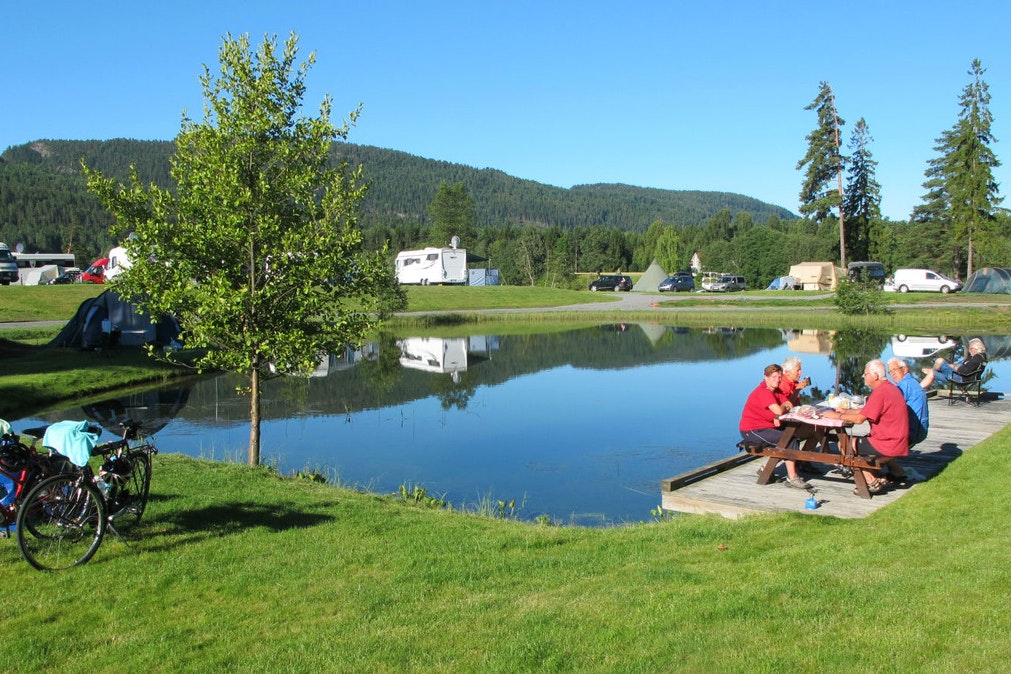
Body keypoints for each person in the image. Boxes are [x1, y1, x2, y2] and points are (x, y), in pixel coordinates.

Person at [821, 359, 909, 494]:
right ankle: (881, 476)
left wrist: (836, 416)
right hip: (898, 440)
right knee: (856, 442)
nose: (863, 376)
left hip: (888, 443)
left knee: (844, 444)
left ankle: (871, 481)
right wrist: (846, 411)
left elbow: (859, 419)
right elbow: (867, 410)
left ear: (875, 375)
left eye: (866, 373)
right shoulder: (889, 388)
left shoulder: (881, 392)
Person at [739, 363, 810, 489]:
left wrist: (781, 410)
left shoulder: (776, 391)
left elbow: (789, 404)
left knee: (793, 436)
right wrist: (780, 410)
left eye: (779, 377)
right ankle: (792, 477)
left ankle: (767, 469)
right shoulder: (764, 391)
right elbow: (779, 410)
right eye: (774, 377)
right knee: (788, 440)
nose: (777, 380)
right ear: (765, 377)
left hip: (767, 426)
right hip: (753, 430)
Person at [885, 358, 929, 482]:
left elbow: (889, 407)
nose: (893, 374)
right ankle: (895, 470)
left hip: (912, 432)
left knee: (872, 442)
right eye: (890, 371)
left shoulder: (904, 386)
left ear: (904, 369)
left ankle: (873, 476)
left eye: (895, 369)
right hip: (920, 429)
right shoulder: (912, 382)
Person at [919, 338, 987, 389]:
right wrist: (954, 366)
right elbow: (966, 368)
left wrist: (954, 367)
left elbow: (963, 371)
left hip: (961, 379)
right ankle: (918, 391)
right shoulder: (980, 357)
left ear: (975, 349)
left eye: (970, 349)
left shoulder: (976, 359)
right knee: (931, 373)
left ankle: (932, 370)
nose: (970, 351)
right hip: (962, 377)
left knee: (939, 360)